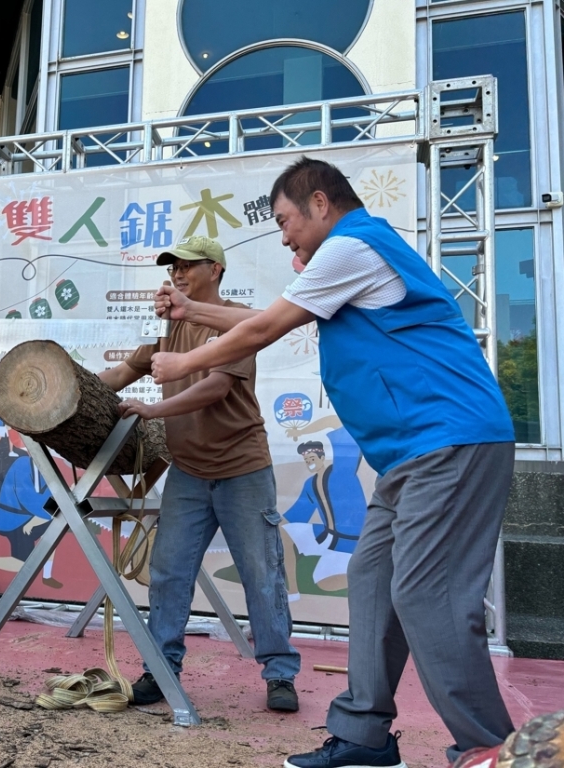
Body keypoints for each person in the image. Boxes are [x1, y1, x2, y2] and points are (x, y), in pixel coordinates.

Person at [149, 157, 516, 768]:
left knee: (428, 594)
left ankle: (491, 748)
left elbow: (264, 326)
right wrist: (192, 314)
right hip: (410, 456)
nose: (284, 235)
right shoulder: (347, 258)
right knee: (373, 584)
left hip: (451, 442)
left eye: (286, 220)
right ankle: (365, 737)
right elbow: (266, 317)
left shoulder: (353, 244)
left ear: (320, 203)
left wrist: (183, 362)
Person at [98, 235, 301, 712]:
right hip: (189, 472)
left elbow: (213, 389)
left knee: (261, 573)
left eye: (188, 265)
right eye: (172, 268)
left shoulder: (238, 322)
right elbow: (121, 375)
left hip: (242, 468)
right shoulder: (168, 327)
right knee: (169, 573)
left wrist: (153, 410)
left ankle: (280, 674)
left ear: (216, 269)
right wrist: (60, 394)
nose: (178, 274)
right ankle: (160, 669)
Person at [281, 414, 366, 597]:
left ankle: (371, 577)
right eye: (306, 460)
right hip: (326, 535)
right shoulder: (310, 484)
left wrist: (301, 431)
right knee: (283, 530)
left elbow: (334, 421)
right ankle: (293, 591)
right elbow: (295, 515)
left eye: (312, 457)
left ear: (321, 456)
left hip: (350, 540)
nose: (309, 462)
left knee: (325, 583)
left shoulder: (342, 470)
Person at [0, 454, 62, 589]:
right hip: (12, 520)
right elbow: (28, 498)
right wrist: (39, 517)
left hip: (29, 517)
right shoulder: (23, 465)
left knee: (53, 533)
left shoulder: (44, 468)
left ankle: (46, 576)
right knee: (23, 563)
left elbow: (48, 494)